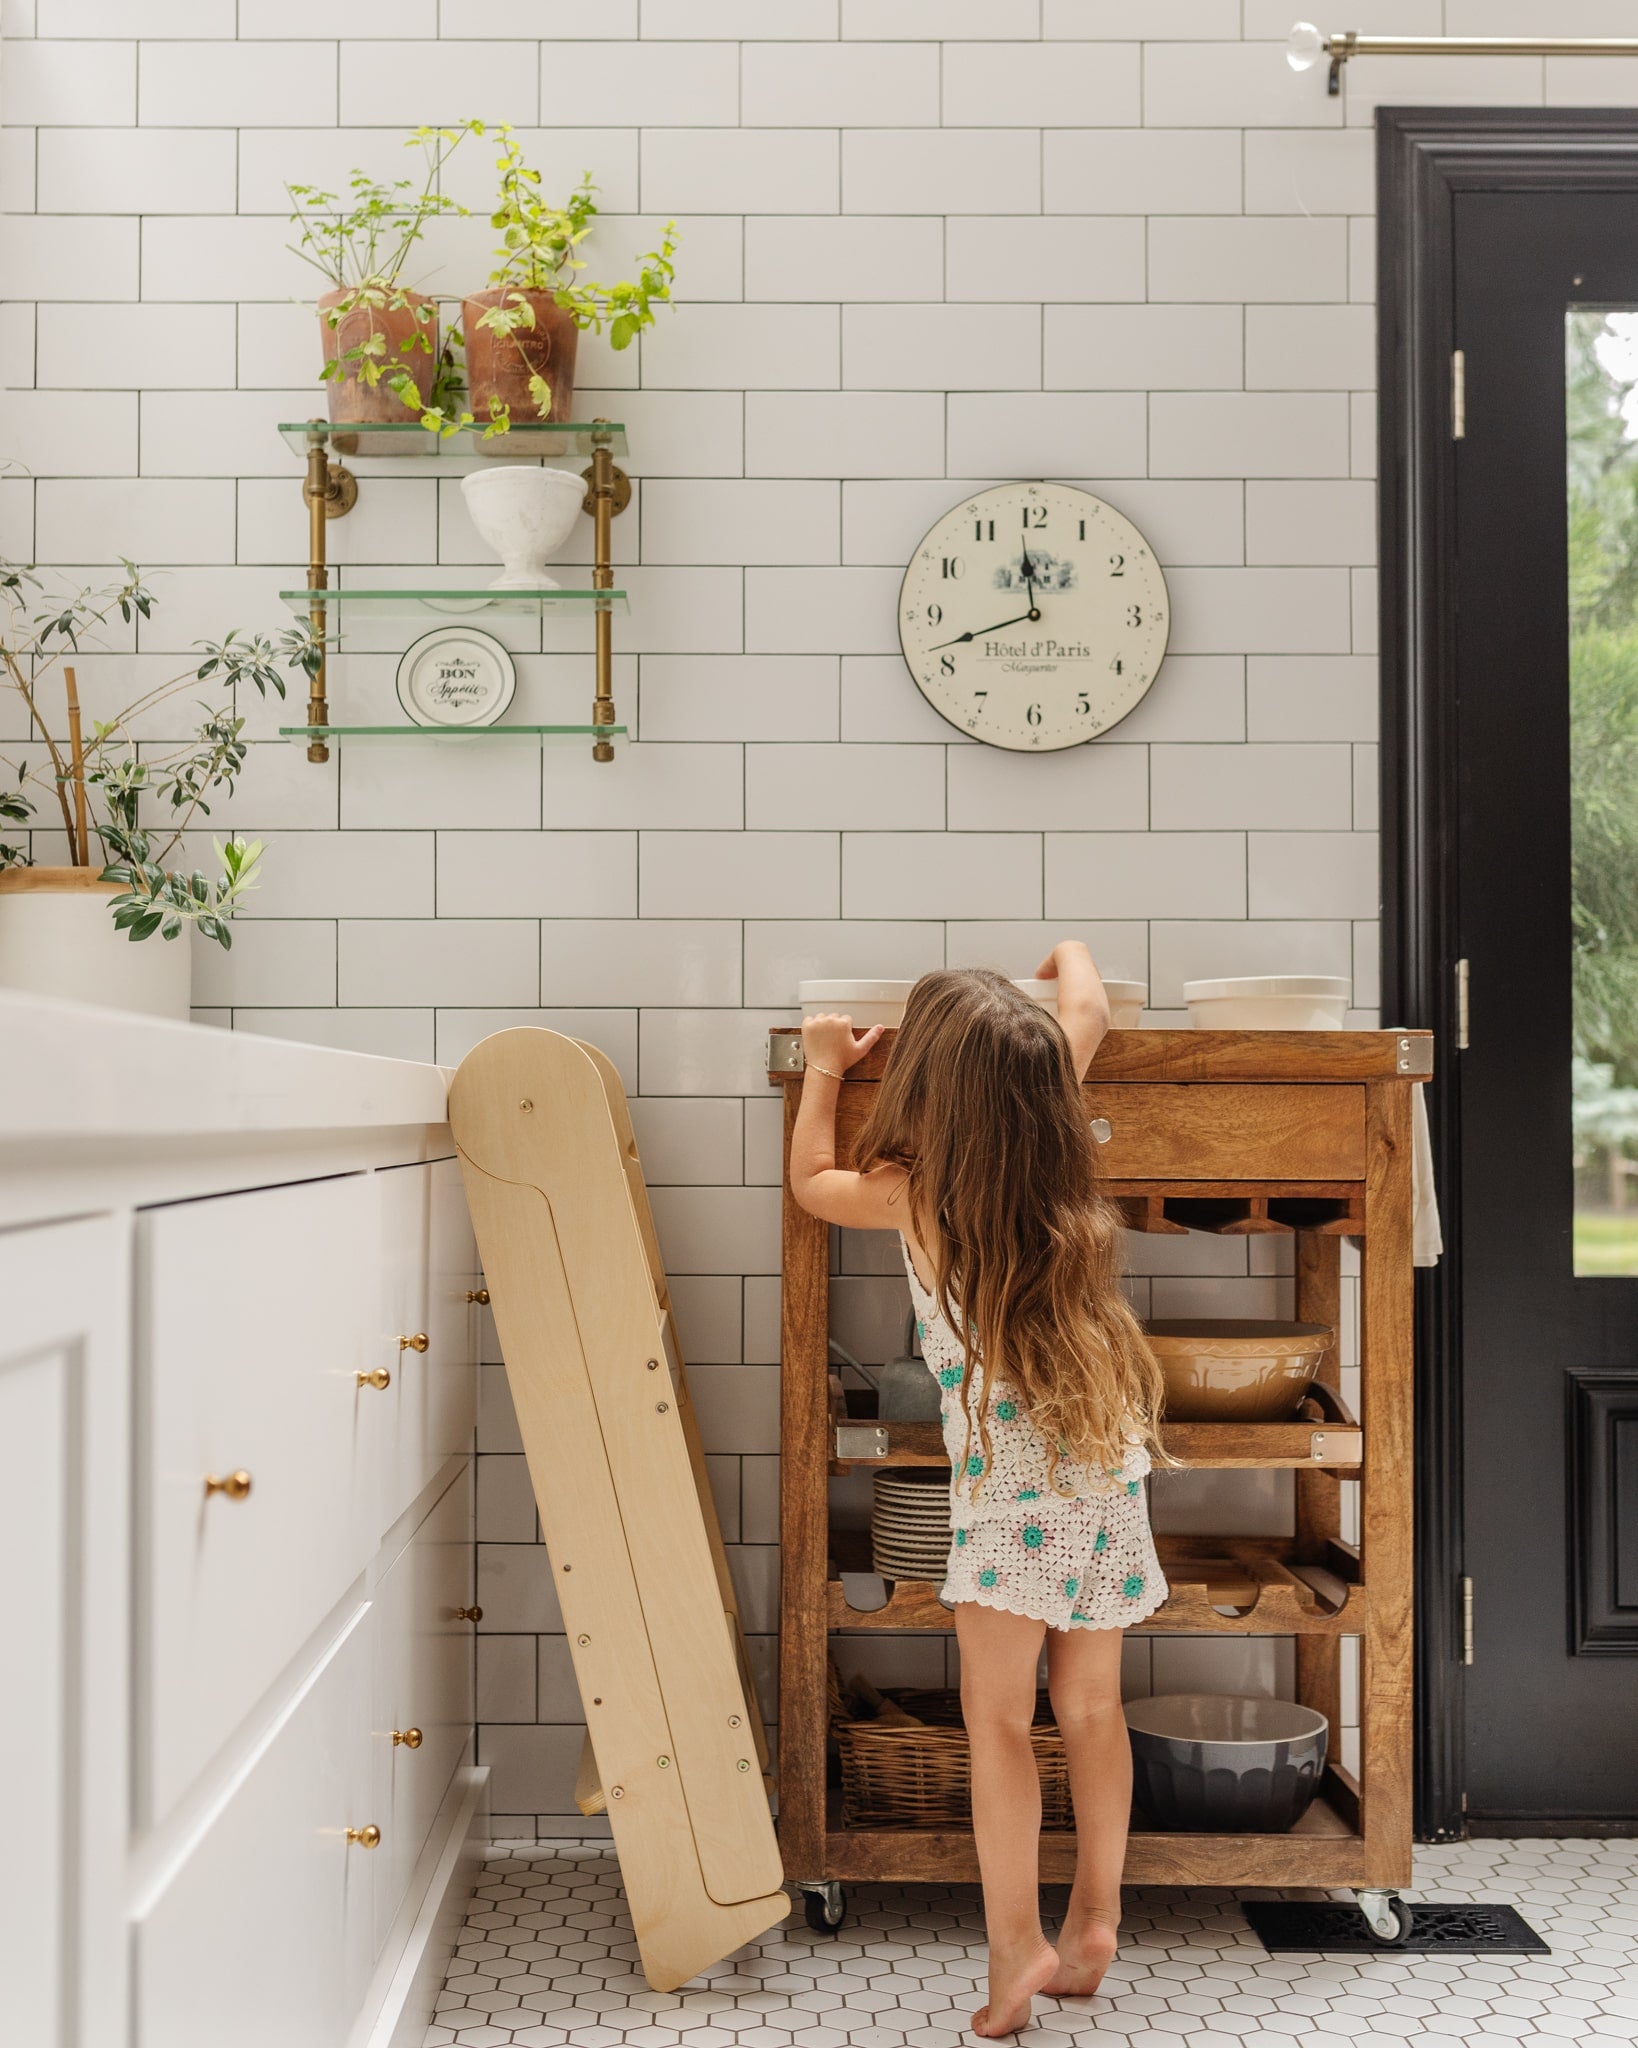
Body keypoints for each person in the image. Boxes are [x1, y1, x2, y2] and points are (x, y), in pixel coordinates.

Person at [790, 944, 1168, 2038]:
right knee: (1092, 1707)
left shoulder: (913, 1189)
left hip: (1006, 1499)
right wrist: (1066, 956)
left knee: (997, 1718)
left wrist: (823, 1065)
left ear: (930, 1094)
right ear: (1041, 1081)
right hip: (1109, 1467)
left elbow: (812, 1183)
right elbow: (1085, 1005)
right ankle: (1094, 1919)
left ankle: (1017, 1949)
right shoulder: (1056, 1142)